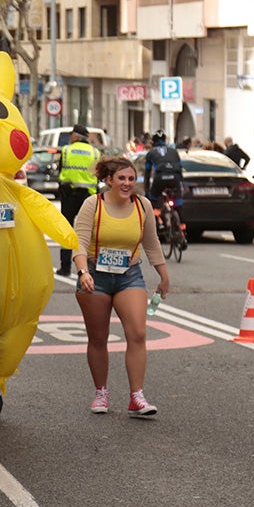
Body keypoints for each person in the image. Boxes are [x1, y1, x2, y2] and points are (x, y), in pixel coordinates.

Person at [71, 155, 169, 418]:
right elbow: (78, 241)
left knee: (137, 333)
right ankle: (101, 392)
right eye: (122, 179)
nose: (127, 184)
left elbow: (151, 242)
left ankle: (136, 396)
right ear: (108, 180)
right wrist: (82, 272)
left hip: (129, 275)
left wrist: (163, 275)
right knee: (99, 337)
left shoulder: (142, 205)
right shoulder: (93, 204)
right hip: (95, 276)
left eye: (131, 179)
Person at [57, 124, 99, 277]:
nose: (70, 137)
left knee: (66, 230)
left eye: (71, 134)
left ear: (76, 136)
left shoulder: (67, 150)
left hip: (69, 195)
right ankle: (90, 268)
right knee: (89, 232)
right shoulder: (95, 153)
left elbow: (61, 171)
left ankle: (65, 267)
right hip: (88, 197)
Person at [143, 129, 182, 206]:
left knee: (153, 198)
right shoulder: (174, 151)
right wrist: (181, 182)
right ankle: (179, 214)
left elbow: (147, 172)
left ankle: (155, 215)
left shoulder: (151, 153)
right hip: (175, 177)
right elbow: (180, 168)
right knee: (178, 201)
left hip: (160, 178)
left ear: (153, 141)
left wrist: (147, 190)